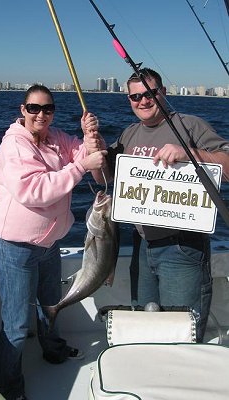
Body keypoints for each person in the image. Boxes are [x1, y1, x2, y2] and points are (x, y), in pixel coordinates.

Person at [84, 67, 229, 343]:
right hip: (142, 245)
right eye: (135, 97)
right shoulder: (129, 133)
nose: (143, 101)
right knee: (144, 327)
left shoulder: (190, 124)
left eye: (149, 94)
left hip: (183, 248)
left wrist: (192, 155)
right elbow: (104, 177)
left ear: (162, 93)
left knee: (180, 334)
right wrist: (94, 150)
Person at [0, 83, 106, 400]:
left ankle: (53, 350)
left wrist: (89, 137)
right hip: (15, 247)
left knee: (50, 305)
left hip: (49, 243)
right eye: (34, 108)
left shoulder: (55, 139)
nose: (41, 114)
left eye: (48, 109)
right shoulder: (15, 146)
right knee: (14, 324)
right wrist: (81, 165)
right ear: (22, 110)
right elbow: (34, 191)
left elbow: (82, 153)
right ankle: (8, 388)